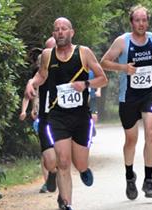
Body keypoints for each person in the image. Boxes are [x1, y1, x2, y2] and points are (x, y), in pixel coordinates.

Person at [25, 17, 108, 210]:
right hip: (58, 116)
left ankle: (84, 169)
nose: (60, 32)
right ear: (54, 34)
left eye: (64, 29)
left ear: (72, 32)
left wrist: (86, 84)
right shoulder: (47, 55)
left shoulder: (84, 53)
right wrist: (31, 83)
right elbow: (42, 75)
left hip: (80, 117)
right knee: (63, 162)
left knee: (79, 163)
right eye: (57, 29)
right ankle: (67, 204)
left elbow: (103, 79)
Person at [100, 5, 152, 200]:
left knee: (151, 135)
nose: (141, 23)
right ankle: (130, 177)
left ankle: (149, 180)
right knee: (131, 140)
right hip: (128, 97)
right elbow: (104, 62)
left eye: (144, 20)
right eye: (137, 20)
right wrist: (123, 68)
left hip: (150, 94)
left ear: (148, 21)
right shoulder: (122, 42)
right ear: (131, 22)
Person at [19, 37, 58, 193]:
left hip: (62, 118)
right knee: (46, 153)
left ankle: (62, 193)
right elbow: (29, 94)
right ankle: (48, 179)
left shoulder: (68, 67)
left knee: (60, 154)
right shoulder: (37, 73)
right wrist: (25, 110)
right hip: (43, 117)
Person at [88, 70, 102, 137]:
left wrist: (98, 91)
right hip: (81, 98)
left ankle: (92, 127)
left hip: (92, 96)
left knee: (94, 116)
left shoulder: (92, 72)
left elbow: (100, 80)